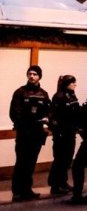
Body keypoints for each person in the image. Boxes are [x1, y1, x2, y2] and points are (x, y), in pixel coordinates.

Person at [9, 65, 51, 202]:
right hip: (24, 133)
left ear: (39, 76)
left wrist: (47, 119)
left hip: (37, 134)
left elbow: (49, 111)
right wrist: (25, 123)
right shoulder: (20, 92)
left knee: (31, 163)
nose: (32, 76)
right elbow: (14, 112)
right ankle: (17, 191)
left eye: (35, 74)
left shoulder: (43, 94)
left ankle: (27, 190)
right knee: (21, 162)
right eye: (30, 74)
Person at [48, 75, 80, 195]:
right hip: (62, 133)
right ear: (67, 84)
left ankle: (63, 182)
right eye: (73, 83)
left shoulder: (72, 95)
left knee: (67, 158)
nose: (75, 85)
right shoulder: (59, 97)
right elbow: (54, 116)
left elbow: (75, 111)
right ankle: (54, 185)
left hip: (70, 132)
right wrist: (58, 131)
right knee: (60, 159)